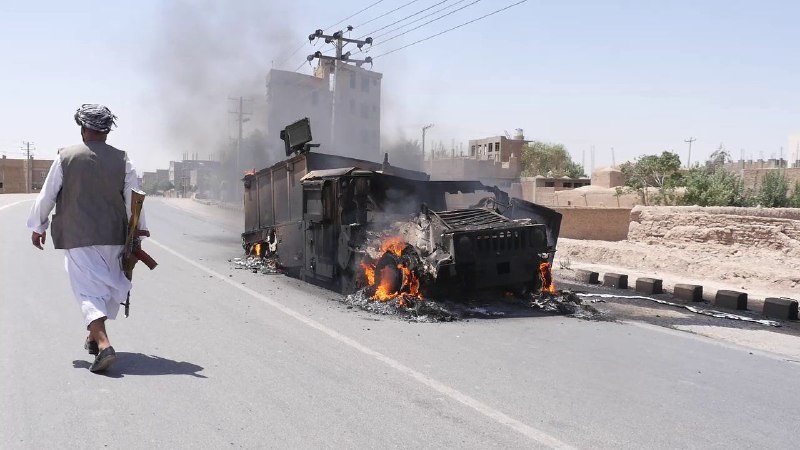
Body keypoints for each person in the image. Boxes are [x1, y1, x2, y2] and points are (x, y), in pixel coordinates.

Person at [27, 104, 147, 373]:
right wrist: (137, 234)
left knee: (87, 290)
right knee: (103, 287)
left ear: (83, 129)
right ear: (106, 131)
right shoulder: (123, 159)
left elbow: (47, 195)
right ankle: (92, 337)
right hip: (114, 236)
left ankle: (104, 345)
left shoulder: (66, 157)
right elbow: (134, 200)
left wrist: (38, 225)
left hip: (78, 235)